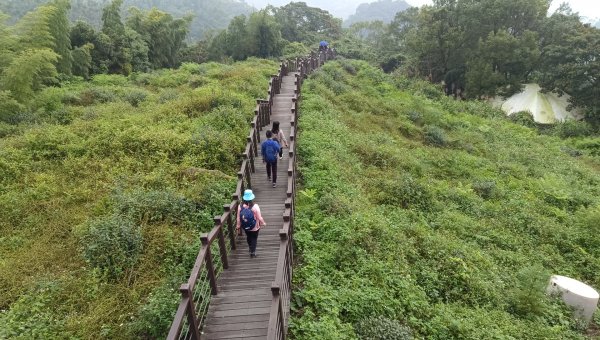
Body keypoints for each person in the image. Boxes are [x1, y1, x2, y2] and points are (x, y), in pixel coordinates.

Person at [236, 189, 266, 258]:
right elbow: (259, 217)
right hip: (255, 226)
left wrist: (238, 225)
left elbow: (238, 217)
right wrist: (263, 223)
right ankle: (253, 252)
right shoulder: (255, 206)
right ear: (252, 197)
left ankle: (250, 247)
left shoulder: (240, 206)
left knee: (248, 236)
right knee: (254, 238)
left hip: (245, 226)